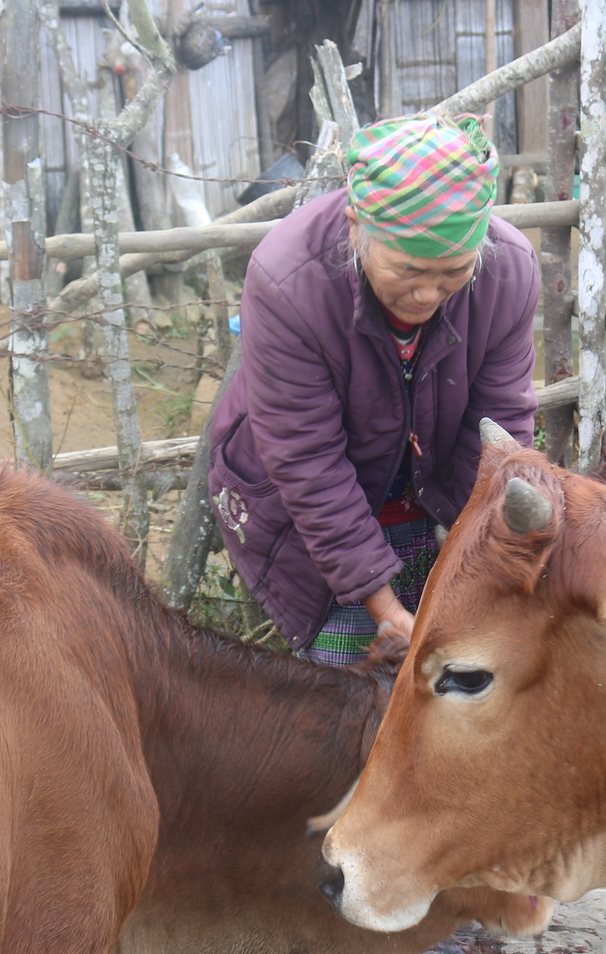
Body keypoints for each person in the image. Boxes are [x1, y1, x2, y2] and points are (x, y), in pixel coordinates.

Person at [205, 113, 540, 662]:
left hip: (431, 491)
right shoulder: (288, 282)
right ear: (357, 224)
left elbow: (499, 430)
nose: (428, 293)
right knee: (354, 690)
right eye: (408, 270)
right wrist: (384, 608)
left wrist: (480, 564)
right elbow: (307, 462)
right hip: (311, 514)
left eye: (454, 272)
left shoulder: (509, 273)